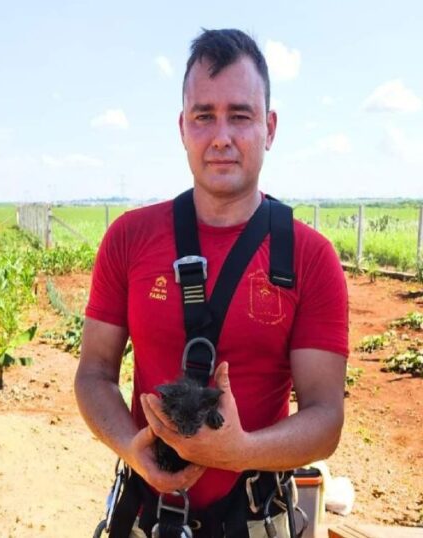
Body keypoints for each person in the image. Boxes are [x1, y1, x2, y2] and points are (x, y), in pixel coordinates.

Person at [74, 29, 348, 537]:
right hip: (144, 515)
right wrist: (129, 448)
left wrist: (240, 451)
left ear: (269, 127)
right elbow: (93, 372)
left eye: (240, 116)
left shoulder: (310, 257)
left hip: (253, 516)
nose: (221, 136)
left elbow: (326, 417)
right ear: (183, 127)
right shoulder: (129, 239)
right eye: (204, 116)